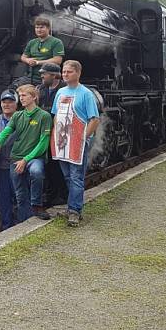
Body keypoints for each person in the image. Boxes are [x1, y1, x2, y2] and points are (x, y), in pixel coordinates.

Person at [0, 85, 53, 222]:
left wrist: (26, 159)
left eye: (24, 95)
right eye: (21, 96)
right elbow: (6, 131)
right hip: (16, 158)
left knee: (36, 172)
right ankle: (24, 221)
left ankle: (36, 204)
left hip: (34, 157)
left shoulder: (44, 116)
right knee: (20, 194)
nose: (21, 98)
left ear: (34, 97)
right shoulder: (18, 116)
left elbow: (43, 142)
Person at [51, 60, 100, 227]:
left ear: (78, 73)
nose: (65, 74)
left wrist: (83, 138)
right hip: (63, 141)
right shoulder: (60, 93)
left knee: (76, 177)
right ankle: (71, 206)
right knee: (67, 176)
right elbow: (56, 115)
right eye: (64, 72)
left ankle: (75, 211)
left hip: (78, 142)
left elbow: (94, 120)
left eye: (69, 72)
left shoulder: (86, 94)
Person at [37, 62, 67, 206]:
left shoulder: (65, 90)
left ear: (54, 75)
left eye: (45, 73)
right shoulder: (40, 89)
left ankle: (63, 195)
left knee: (59, 165)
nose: (42, 75)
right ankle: (50, 194)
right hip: (44, 132)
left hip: (60, 133)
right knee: (48, 165)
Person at [0, 90, 18, 230]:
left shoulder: (22, 119)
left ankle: (20, 224)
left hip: (17, 165)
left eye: (10, 102)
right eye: (4, 102)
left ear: (16, 104)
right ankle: (6, 225)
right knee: (3, 196)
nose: (7, 105)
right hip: (0, 165)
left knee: (18, 195)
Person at [21, 16, 65, 84]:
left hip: (48, 78)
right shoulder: (32, 42)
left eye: (41, 27)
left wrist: (38, 62)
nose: (39, 30)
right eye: (37, 27)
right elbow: (23, 57)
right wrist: (27, 60)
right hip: (30, 77)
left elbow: (57, 60)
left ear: (48, 28)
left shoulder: (56, 42)